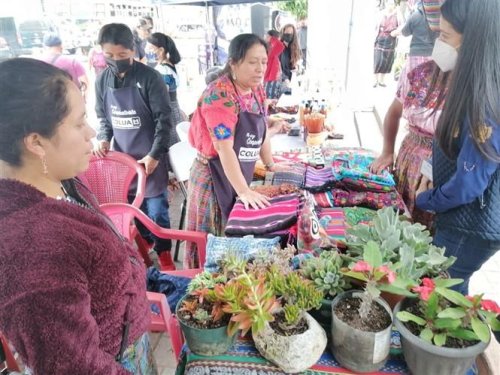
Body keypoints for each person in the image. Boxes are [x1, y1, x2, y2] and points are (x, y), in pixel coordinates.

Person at [0, 58, 156, 374]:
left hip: (129, 344)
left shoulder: (64, 179)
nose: (91, 132)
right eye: (78, 122)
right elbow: (73, 365)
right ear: (36, 143)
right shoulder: (30, 245)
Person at [415, 0, 500, 294]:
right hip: (466, 220)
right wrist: (430, 169)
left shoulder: (484, 100)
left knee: (439, 292)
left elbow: (469, 183)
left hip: (471, 226)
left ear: (473, 41)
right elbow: (453, 145)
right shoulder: (475, 85)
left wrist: (427, 200)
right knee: (447, 289)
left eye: (445, 37)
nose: (439, 44)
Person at [186, 33, 274, 268]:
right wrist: (244, 191)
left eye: (264, 62)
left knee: (234, 237)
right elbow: (224, 148)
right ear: (233, 63)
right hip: (212, 175)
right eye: (252, 62)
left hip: (238, 170)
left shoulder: (256, 90)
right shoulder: (220, 95)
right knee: (213, 240)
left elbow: (262, 128)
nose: (260, 69)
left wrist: (271, 164)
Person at [94, 23, 177, 271]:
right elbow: (104, 118)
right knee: (133, 208)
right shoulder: (101, 81)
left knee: (157, 208)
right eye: (109, 55)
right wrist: (103, 138)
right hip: (123, 159)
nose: (116, 60)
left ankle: (164, 252)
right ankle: (147, 246)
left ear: (133, 50)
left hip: (150, 156)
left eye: (122, 55)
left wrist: (154, 155)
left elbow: (165, 120)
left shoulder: (150, 78)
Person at [394, 0, 441, 83]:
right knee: (428, 85)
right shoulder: (440, 19)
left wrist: (395, 32)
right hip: (433, 55)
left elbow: (405, 32)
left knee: (411, 82)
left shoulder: (415, 16)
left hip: (415, 55)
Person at [146, 33, 185, 127]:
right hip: (173, 111)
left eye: (149, 48)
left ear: (160, 50)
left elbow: (162, 96)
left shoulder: (163, 70)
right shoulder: (168, 65)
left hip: (167, 115)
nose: (146, 51)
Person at [41, 33, 89, 100]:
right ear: (61, 46)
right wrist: (83, 98)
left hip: (50, 103)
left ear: (45, 46)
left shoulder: (39, 63)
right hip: (72, 101)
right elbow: (85, 82)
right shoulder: (73, 62)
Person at [373, 0, 400, 87]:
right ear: (386, 4)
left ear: (394, 6)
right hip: (380, 38)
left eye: (392, 4)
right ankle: (375, 80)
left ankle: (381, 80)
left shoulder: (397, 15)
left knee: (386, 61)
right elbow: (375, 27)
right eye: (389, 4)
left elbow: (402, 27)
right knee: (377, 60)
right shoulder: (381, 13)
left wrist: (396, 32)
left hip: (391, 40)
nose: (390, 6)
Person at [263, 29, 285, 99]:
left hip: (271, 80)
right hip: (270, 80)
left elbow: (280, 45)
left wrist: (271, 38)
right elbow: (280, 45)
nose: (264, 37)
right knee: (271, 102)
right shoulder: (269, 51)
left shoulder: (271, 51)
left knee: (272, 102)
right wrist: (271, 38)